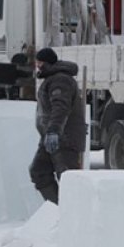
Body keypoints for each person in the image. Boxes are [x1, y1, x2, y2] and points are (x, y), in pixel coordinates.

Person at [29, 47, 85, 204]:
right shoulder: (52, 79)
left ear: (45, 63)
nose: (37, 66)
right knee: (39, 171)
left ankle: (74, 212)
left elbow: (60, 107)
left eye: (39, 62)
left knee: (68, 178)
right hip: (50, 138)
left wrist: (54, 130)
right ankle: (57, 209)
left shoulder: (60, 80)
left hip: (63, 138)